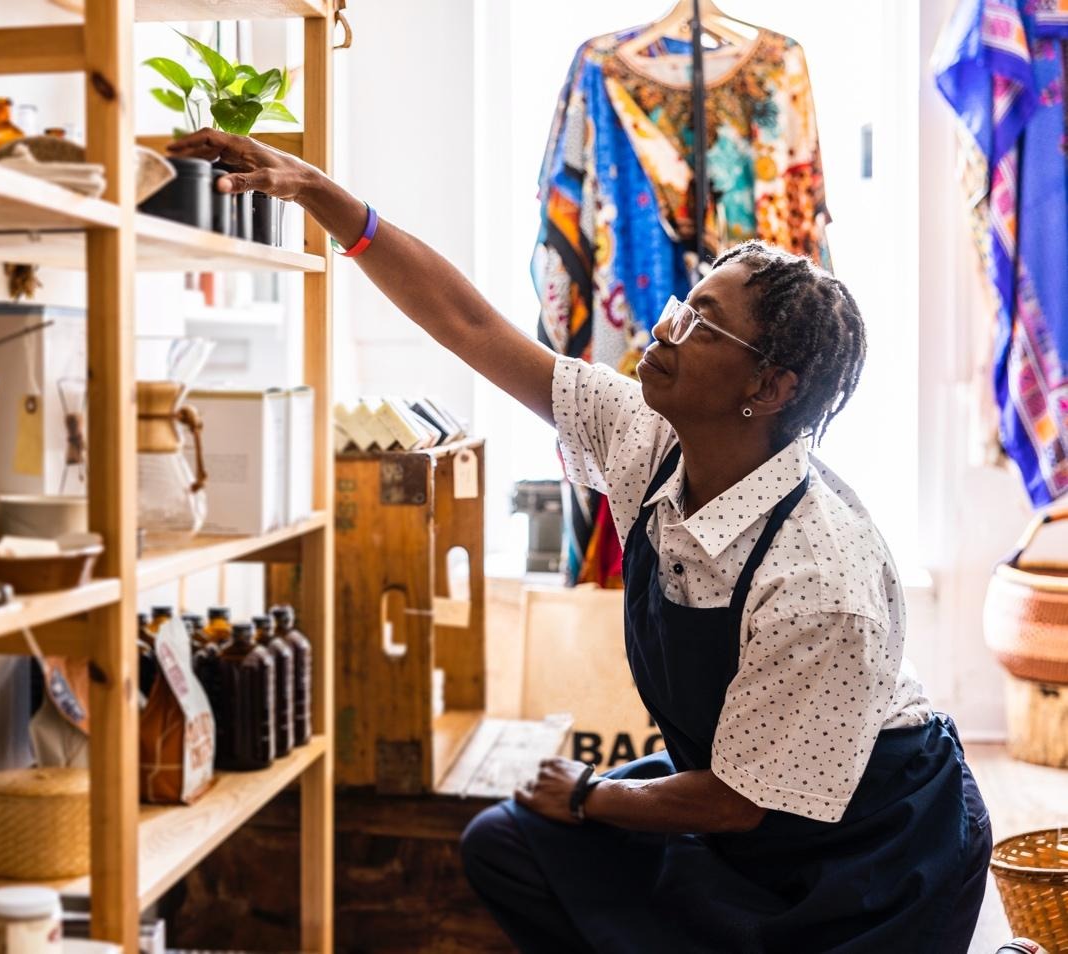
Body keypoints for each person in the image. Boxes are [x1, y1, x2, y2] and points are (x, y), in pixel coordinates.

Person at [168, 129, 993, 953]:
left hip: (872, 851)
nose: (663, 332)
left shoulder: (821, 578)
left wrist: (589, 795)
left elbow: (740, 802)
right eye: (681, 308)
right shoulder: (647, 436)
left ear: (770, 387)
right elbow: (470, 324)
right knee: (509, 845)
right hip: (735, 795)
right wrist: (319, 192)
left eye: (702, 327)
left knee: (591, 841)